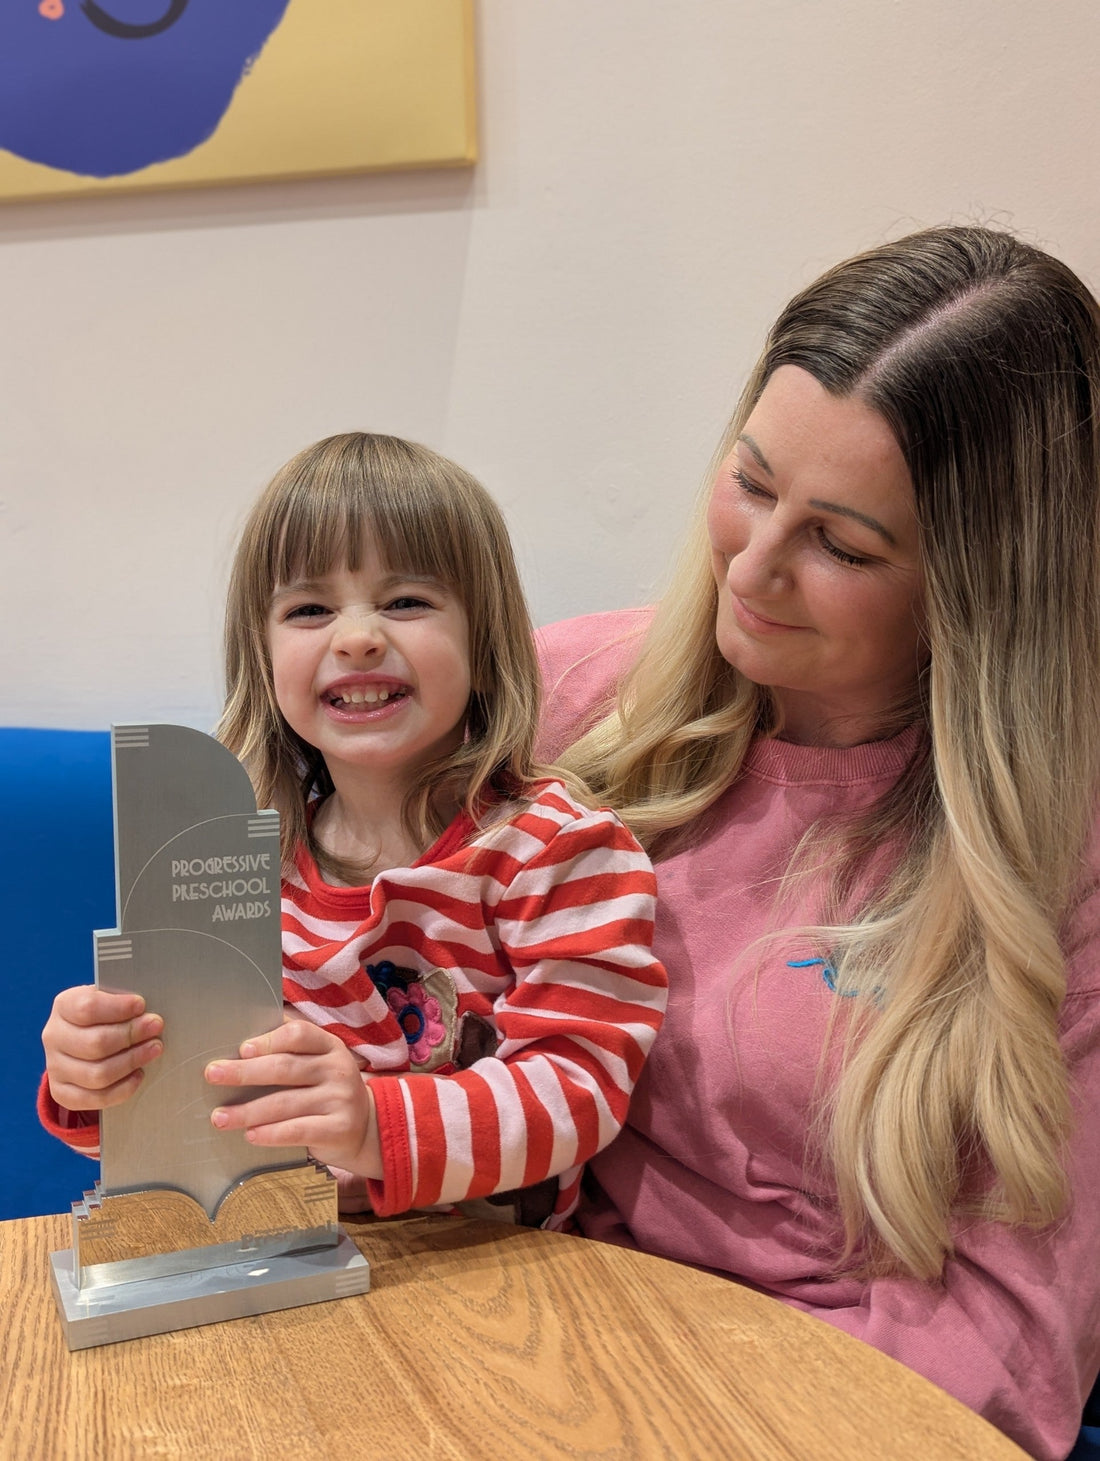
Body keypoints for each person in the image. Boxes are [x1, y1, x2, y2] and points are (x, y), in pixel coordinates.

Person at [537, 226, 1100, 1460]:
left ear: (977, 593)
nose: (753, 562)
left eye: (841, 545)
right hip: (532, 1357)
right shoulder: (568, 697)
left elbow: (1000, 1360)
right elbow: (331, 949)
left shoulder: (1062, 870)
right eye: (749, 481)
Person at [40, 432, 666, 1229]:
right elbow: (197, 1114)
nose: (357, 635)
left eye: (406, 601)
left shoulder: (561, 852)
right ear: (261, 658)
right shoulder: (237, 861)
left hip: (492, 1279)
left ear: (486, 636)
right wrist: (98, 1078)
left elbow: (582, 1087)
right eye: (309, 609)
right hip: (274, 1258)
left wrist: (373, 1122)